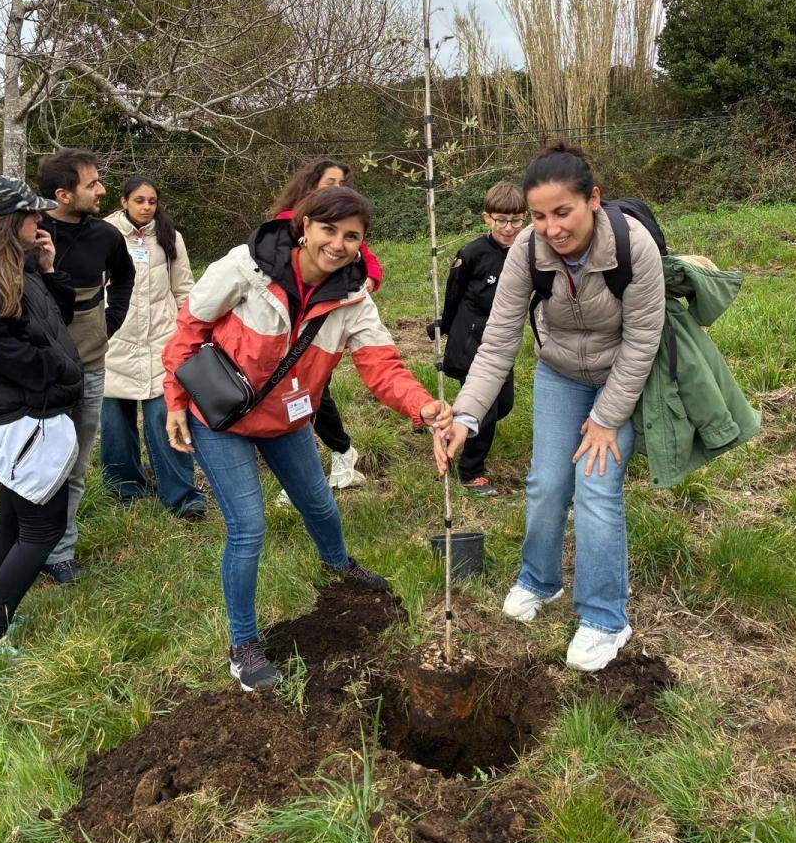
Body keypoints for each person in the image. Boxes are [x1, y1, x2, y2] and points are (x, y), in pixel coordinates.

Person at [163, 185, 452, 691]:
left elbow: (382, 365)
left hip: (289, 421)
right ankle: (244, 644)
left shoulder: (352, 300)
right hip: (220, 419)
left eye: (352, 236)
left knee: (319, 504)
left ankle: (339, 563)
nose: (338, 244)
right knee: (249, 528)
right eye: (329, 230)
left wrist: (421, 405)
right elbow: (189, 329)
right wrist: (173, 399)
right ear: (303, 226)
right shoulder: (244, 269)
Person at [440, 142, 665, 673]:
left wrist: (607, 419)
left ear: (593, 200)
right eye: (539, 216)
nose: (551, 228)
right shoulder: (526, 249)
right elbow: (497, 340)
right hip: (560, 374)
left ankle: (606, 619)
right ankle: (539, 581)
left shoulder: (635, 248)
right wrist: (467, 416)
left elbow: (642, 343)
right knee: (544, 483)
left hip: (620, 378)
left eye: (562, 212)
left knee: (595, 485)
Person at [0, 177, 83, 658]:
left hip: (26, 413)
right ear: (5, 223)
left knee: (14, 517)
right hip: (22, 417)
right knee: (43, 528)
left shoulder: (14, 269)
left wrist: (47, 267)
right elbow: (6, 351)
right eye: (30, 214)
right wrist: (56, 370)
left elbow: (58, 316)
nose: (39, 220)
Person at [35, 149, 135, 584]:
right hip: (35, 375)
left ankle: (59, 552)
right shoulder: (29, 231)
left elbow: (125, 277)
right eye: (92, 183)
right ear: (62, 193)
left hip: (90, 368)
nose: (102, 190)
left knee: (74, 463)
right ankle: (24, 545)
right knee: (34, 466)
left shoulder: (105, 237)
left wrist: (109, 323)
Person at [268, 157, 383, 497]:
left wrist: (370, 281)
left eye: (342, 184)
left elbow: (367, 258)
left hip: (324, 328)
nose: (338, 190)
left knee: (307, 396)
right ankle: (334, 456)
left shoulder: (344, 231)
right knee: (300, 397)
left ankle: (317, 468)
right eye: (331, 182)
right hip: (285, 327)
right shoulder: (285, 224)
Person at [100, 176, 206, 518]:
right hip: (115, 343)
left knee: (168, 419)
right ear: (123, 202)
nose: (146, 207)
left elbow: (184, 288)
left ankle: (182, 494)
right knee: (116, 425)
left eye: (152, 201)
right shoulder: (103, 235)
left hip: (162, 344)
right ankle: (125, 491)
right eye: (139, 200)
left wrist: (189, 334)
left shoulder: (169, 237)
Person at [433, 180, 527, 496]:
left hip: (503, 339)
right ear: (487, 218)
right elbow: (454, 292)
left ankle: (452, 423)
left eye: (516, 220)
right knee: (483, 410)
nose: (509, 227)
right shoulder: (472, 253)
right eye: (501, 220)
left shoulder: (527, 250)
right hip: (472, 338)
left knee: (504, 404)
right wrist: (443, 327)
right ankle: (471, 471)